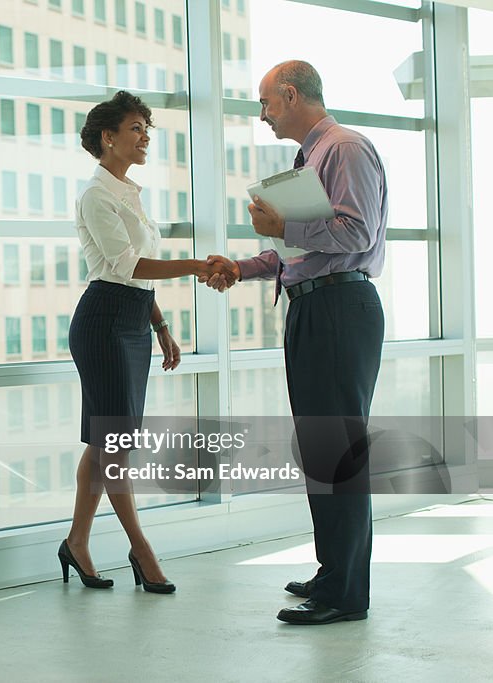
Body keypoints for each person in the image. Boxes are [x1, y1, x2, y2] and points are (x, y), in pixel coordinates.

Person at [204, 61, 387, 624]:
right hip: (319, 306)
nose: (262, 116)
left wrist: (281, 227)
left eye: (266, 104)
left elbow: (357, 232)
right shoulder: (312, 157)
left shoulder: (344, 148)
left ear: (289, 94)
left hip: (338, 308)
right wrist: (242, 266)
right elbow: (308, 254)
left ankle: (343, 594)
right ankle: (334, 573)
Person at [61, 91, 233, 593]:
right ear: (107, 138)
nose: (145, 137)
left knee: (104, 443)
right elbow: (127, 268)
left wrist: (160, 326)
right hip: (104, 325)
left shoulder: (128, 193)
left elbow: (138, 279)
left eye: (146, 128)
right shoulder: (97, 195)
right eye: (136, 128)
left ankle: (77, 543)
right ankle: (142, 550)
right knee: (115, 447)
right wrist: (200, 265)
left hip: (132, 322)